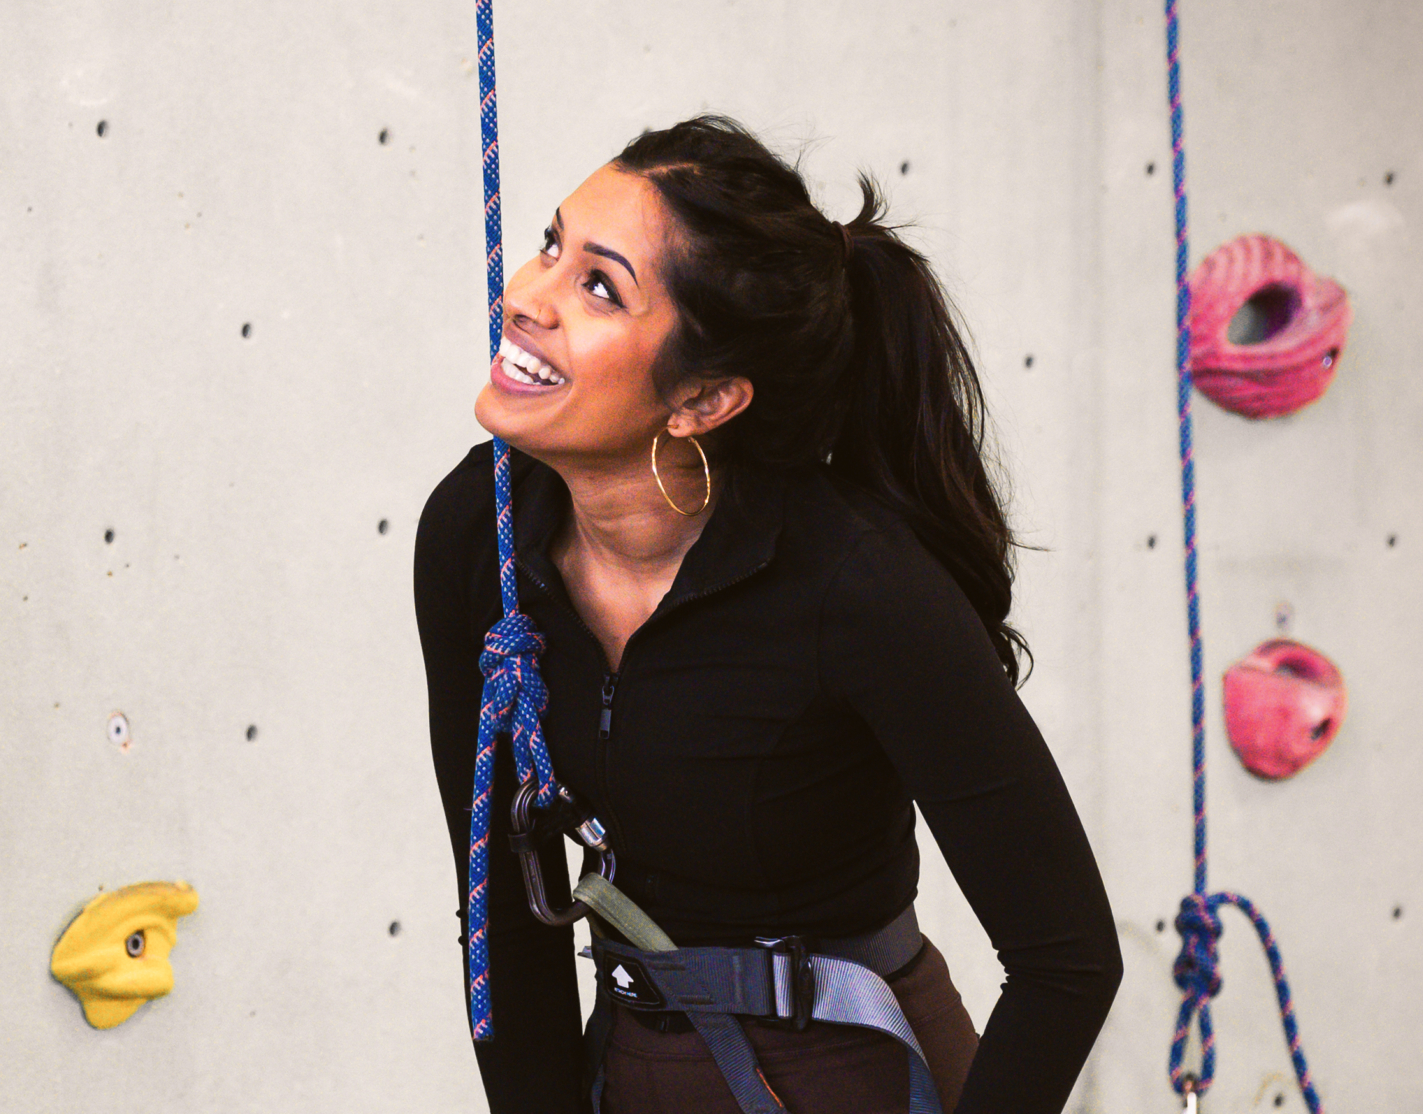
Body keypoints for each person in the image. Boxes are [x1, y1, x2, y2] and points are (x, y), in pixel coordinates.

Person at [417, 116, 1122, 1113]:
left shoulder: (855, 585)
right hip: (632, 1071)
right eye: (549, 246)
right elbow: (501, 913)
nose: (525, 299)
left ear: (704, 400)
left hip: (855, 1074)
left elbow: (1068, 963)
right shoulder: (479, 535)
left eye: (598, 286)